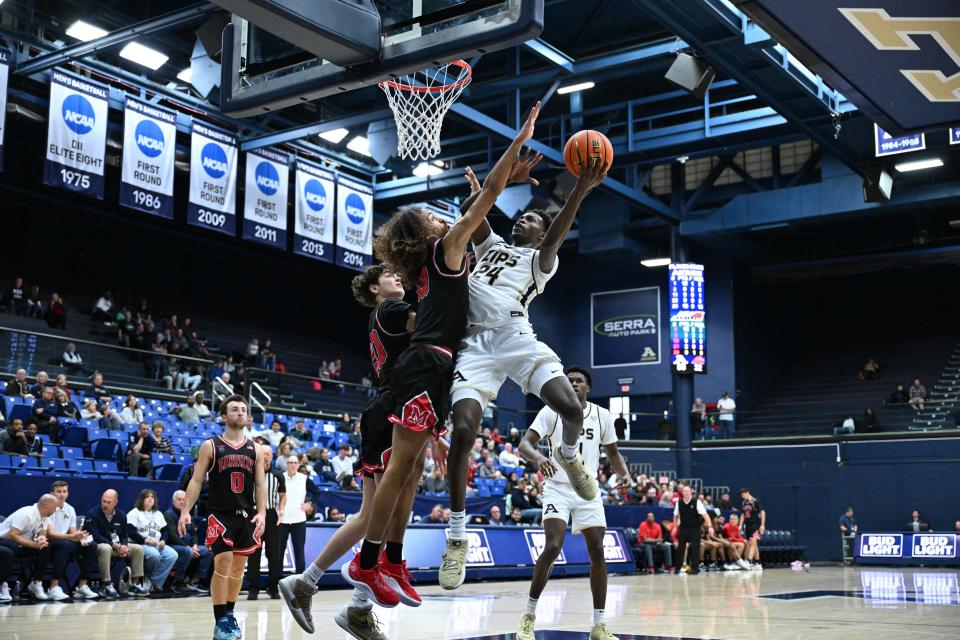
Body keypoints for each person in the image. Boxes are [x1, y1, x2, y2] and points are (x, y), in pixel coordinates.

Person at [337, 104, 538, 615]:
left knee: (408, 475)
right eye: (432, 216)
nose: (441, 216)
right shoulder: (445, 249)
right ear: (426, 233)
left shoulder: (445, 255)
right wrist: (517, 143)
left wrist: (494, 187)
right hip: (427, 363)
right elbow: (488, 198)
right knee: (402, 468)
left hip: (438, 366)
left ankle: (391, 561)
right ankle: (369, 561)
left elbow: (484, 211)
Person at [445, 140, 607, 590]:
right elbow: (469, 211)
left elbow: (557, 232)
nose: (524, 220)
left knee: (572, 409)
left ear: (540, 233)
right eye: (522, 216)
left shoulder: (541, 261)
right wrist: (496, 187)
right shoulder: (491, 244)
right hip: (475, 345)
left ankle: (571, 457)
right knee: (462, 432)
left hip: (517, 337)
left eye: (532, 219)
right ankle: (457, 536)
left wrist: (578, 188)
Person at [280, 264, 437, 634]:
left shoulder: (386, 314)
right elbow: (433, 322)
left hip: (389, 406)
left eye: (400, 274)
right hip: (391, 410)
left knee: (372, 515)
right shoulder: (391, 310)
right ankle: (338, 596)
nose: (398, 277)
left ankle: (320, 588)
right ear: (373, 288)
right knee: (384, 510)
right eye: (389, 275)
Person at [516, 366, 628, 640]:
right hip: (557, 488)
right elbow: (525, 445)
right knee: (553, 546)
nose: (574, 384)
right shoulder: (550, 411)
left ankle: (599, 625)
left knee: (598, 551)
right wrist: (540, 459)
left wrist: (623, 473)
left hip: (587, 491)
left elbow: (613, 453)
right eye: (569, 380)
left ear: (588, 387)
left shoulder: (602, 415)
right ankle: (528, 616)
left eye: (579, 381)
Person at [178, 395, 266, 640]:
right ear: (224, 417)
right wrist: (185, 510)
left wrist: (261, 513)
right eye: (235, 409)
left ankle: (229, 615)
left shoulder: (255, 448)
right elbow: (196, 481)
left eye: (243, 409)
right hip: (220, 514)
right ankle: (220, 621)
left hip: (246, 515)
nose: (240, 412)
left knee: (239, 568)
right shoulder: (211, 446)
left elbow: (260, 485)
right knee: (223, 563)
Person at [87, 489, 148, 598]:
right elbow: (95, 537)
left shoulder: (121, 515)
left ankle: (134, 584)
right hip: (98, 548)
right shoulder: (93, 514)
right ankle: (107, 584)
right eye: (103, 501)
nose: (105, 504)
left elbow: (124, 535)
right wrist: (115, 546)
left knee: (138, 549)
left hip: (116, 547)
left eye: (108, 502)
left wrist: (124, 546)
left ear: (116, 502)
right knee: (106, 548)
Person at [45, 480, 99, 600]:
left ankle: (82, 586)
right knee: (65, 545)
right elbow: (50, 534)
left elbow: (73, 531)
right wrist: (72, 537)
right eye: (58, 491)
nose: (62, 494)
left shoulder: (70, 509)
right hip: (49, 543)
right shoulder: (48, 508)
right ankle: (53, 587)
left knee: (91, 546)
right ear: (52, 493)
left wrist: (81, 536)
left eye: (64, 491)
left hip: (65, 541)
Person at [245, 440, 285, 600]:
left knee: (274, 554)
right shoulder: (251, 473)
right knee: (253, 552)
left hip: (271, 515)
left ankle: (273, 587)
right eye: (264, 453)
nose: (267, 456)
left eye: (269, 454)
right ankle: (253, 588)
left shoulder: (278, 475)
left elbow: (283, 495)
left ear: (272, 456)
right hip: (254, 515)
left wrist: (281, 511)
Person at [0, 494, 58, 600]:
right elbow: (13, 535)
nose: (56, 509)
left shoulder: (45, 516)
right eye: (55, 507)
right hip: (5, 540)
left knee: (45, 547)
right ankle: (2, 584)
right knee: (11, 548)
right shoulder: (26, 513)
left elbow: (43, 531)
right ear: (46, 505)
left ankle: (36, 583)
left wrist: (41, 538)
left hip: (22, 544)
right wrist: (32, 544)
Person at [126, 489, 178, 593]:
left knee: (173, 555)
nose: (150, 499)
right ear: (142, 499)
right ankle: (150, 582)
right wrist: (145, 540)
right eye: (147, 497)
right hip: (140, 543)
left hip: (157, 543)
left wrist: (163, 540)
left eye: (152, 497)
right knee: (155, 555)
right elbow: (130, 532)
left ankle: (152, 581)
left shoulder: (158, 514)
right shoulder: (134, 512)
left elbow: (165, 531)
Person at [164, 490, 212, 593]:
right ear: (173, 502)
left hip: (189, 546)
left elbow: (194, 535)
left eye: (184, 500)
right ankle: (177, 582)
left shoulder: (187, 515)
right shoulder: (168, 515)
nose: (182, 502)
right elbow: (172, 536)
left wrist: (194, 545)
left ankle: (194, 581)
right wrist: (189, 548)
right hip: (173, 545)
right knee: (187, 552)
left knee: (207, 551)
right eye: (179, 499)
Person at [280, 455, 308, 575]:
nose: (292, 465)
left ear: (298, 465)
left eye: (295, 462)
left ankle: (300, 579)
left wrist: (310, 503)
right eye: (290, 462)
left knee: (299, 552)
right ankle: (277, 581)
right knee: (279, 552)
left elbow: (317, 492)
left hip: (299, 520)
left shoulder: (304, 478)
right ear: (286, 464)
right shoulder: (280, 477)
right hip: (282, 520)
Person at [673, 485, 708, 574]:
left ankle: (694, 569)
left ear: (691, 492)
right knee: (680, 548)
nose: (686, 492)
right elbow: (675, 515)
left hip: (695, 528)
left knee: (695, 548)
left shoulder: (697, 502)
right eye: (684, 491)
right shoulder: (679, 502)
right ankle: (678, 568)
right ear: (682, 493)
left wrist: (710, 526)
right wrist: (674, 527)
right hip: (683, 528)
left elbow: (705, 515)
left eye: (688, 491)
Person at [740, 487, 766, 569]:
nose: (743, 497)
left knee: (753, 542)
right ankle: (758, 563)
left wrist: (762, 525)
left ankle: (749, 561)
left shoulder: (755, 501)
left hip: (755, 525)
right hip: (747, 525)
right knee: (752, 544)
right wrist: (740, 525)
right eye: (742, 496)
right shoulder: (744, 502)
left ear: (747, 492)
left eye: (743, 495)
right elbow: (743, 514)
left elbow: (763, 512)